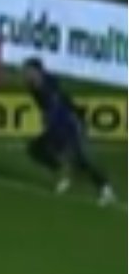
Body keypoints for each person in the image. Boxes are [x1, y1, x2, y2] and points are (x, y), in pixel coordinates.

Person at [24, 58, 117, 205]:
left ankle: (106, 189)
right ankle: (63, 173)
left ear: (38, 72)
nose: (26, 74)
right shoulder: (33, 86)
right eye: (26, 71)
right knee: (35, 149)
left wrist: (51, 118)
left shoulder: (48, 86)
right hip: (57, 126)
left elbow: (55, 103)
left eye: (29, 71)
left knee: (83, 159)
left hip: (71, 124)